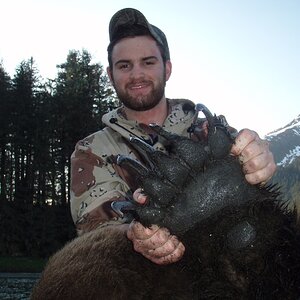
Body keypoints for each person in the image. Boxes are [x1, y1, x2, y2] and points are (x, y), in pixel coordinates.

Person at [70, 8, 276, 265]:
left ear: (166, 69)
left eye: (148, 62)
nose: (136, 75)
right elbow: (95, 228)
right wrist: (135, 233)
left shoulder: (211, 134)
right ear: (111, 75)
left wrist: (259, 158)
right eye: (124, 66)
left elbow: (255, 174)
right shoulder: (92, 149)